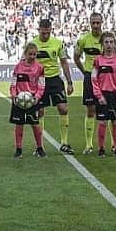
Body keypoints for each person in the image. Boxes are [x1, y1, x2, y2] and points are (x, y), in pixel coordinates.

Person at [29, 18, 75, 155]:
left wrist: (70, 82)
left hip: (55, 80)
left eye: (48, 32)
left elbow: (64, 62)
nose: (45, 35)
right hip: (39, 81)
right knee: (40, 112)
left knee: (63, 108)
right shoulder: (32, 44)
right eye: (43, 33)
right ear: (39, 30)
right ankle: (40, 146)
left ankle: (64, 143)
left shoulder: (57, 43)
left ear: (50, 30)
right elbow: (26, 62)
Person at [91, 32, 116, 157]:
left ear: (115, 44)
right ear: (102, 44)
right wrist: (99, 95)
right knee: (102, 122)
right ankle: (101, 148)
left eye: (111, 42)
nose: (109, 45)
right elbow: (94, 80)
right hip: (103, 95)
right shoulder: (98, 60)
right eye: (106, 42)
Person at [74, 13, 106, 155]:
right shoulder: (83, 40)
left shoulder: (107, 39)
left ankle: (106, 145)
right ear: (90, 23)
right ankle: (89, 145)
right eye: (93, 23)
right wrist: (85, 72)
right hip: (89, 76)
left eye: (98, 23)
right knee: (91, 110)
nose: (95, 26)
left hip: (104, 76)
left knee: (106, 110)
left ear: (101, 23)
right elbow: (76, 56)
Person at [9, 42, 46, 158]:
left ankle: (40, 148)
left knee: (35, 124)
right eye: (30, 54)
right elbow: (13, 84)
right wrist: (14, 95)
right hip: (19, 101)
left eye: (34, 54)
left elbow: (41, 85)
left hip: (32, 101)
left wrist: (37, 97)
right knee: (19, 124)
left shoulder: (39, 68)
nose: (32, 57)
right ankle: (18, 149)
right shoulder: (18, 67)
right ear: (25, 54)